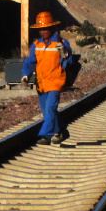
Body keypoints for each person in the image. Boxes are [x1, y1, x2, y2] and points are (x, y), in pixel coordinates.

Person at [21, 11, 73, 145]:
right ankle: (62, 131)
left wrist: (64, 53)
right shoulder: (36, 44)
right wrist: (26, 75)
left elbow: (69, 60)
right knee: (47, 111)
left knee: (50, 108)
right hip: (42, 83)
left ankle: (45, 135)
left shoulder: (62, 42)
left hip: (56, 82)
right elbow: (30, 62)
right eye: (40, 29)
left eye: (45, 28)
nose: (42, 31)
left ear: (51, 28)